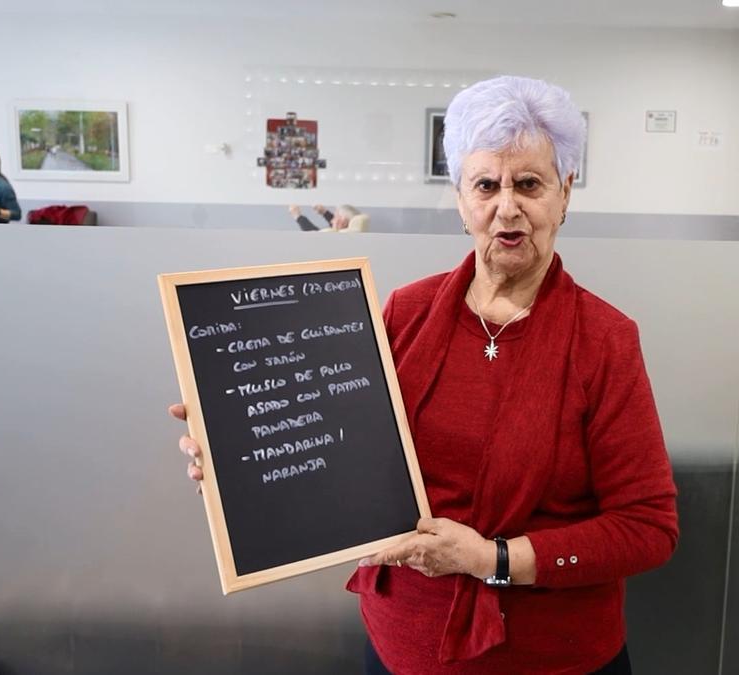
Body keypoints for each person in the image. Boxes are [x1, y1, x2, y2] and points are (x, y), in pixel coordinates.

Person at [173, 76, 679, 673]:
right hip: (401, 646)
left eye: (530, 184)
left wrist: (493, 558)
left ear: (564, 195)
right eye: (486, 184)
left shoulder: (605, 341)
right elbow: (339, 452)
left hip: (554, 657)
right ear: (462, 199)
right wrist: (243, 459)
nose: (506, 207)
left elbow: (647, 528)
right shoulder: (404, 312)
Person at [289, 203, 362, 232]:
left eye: (335, 218)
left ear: (343, 222)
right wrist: (324, 212)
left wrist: (297, 216)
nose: (332, 221)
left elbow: (315, 234)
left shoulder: (332, 238)